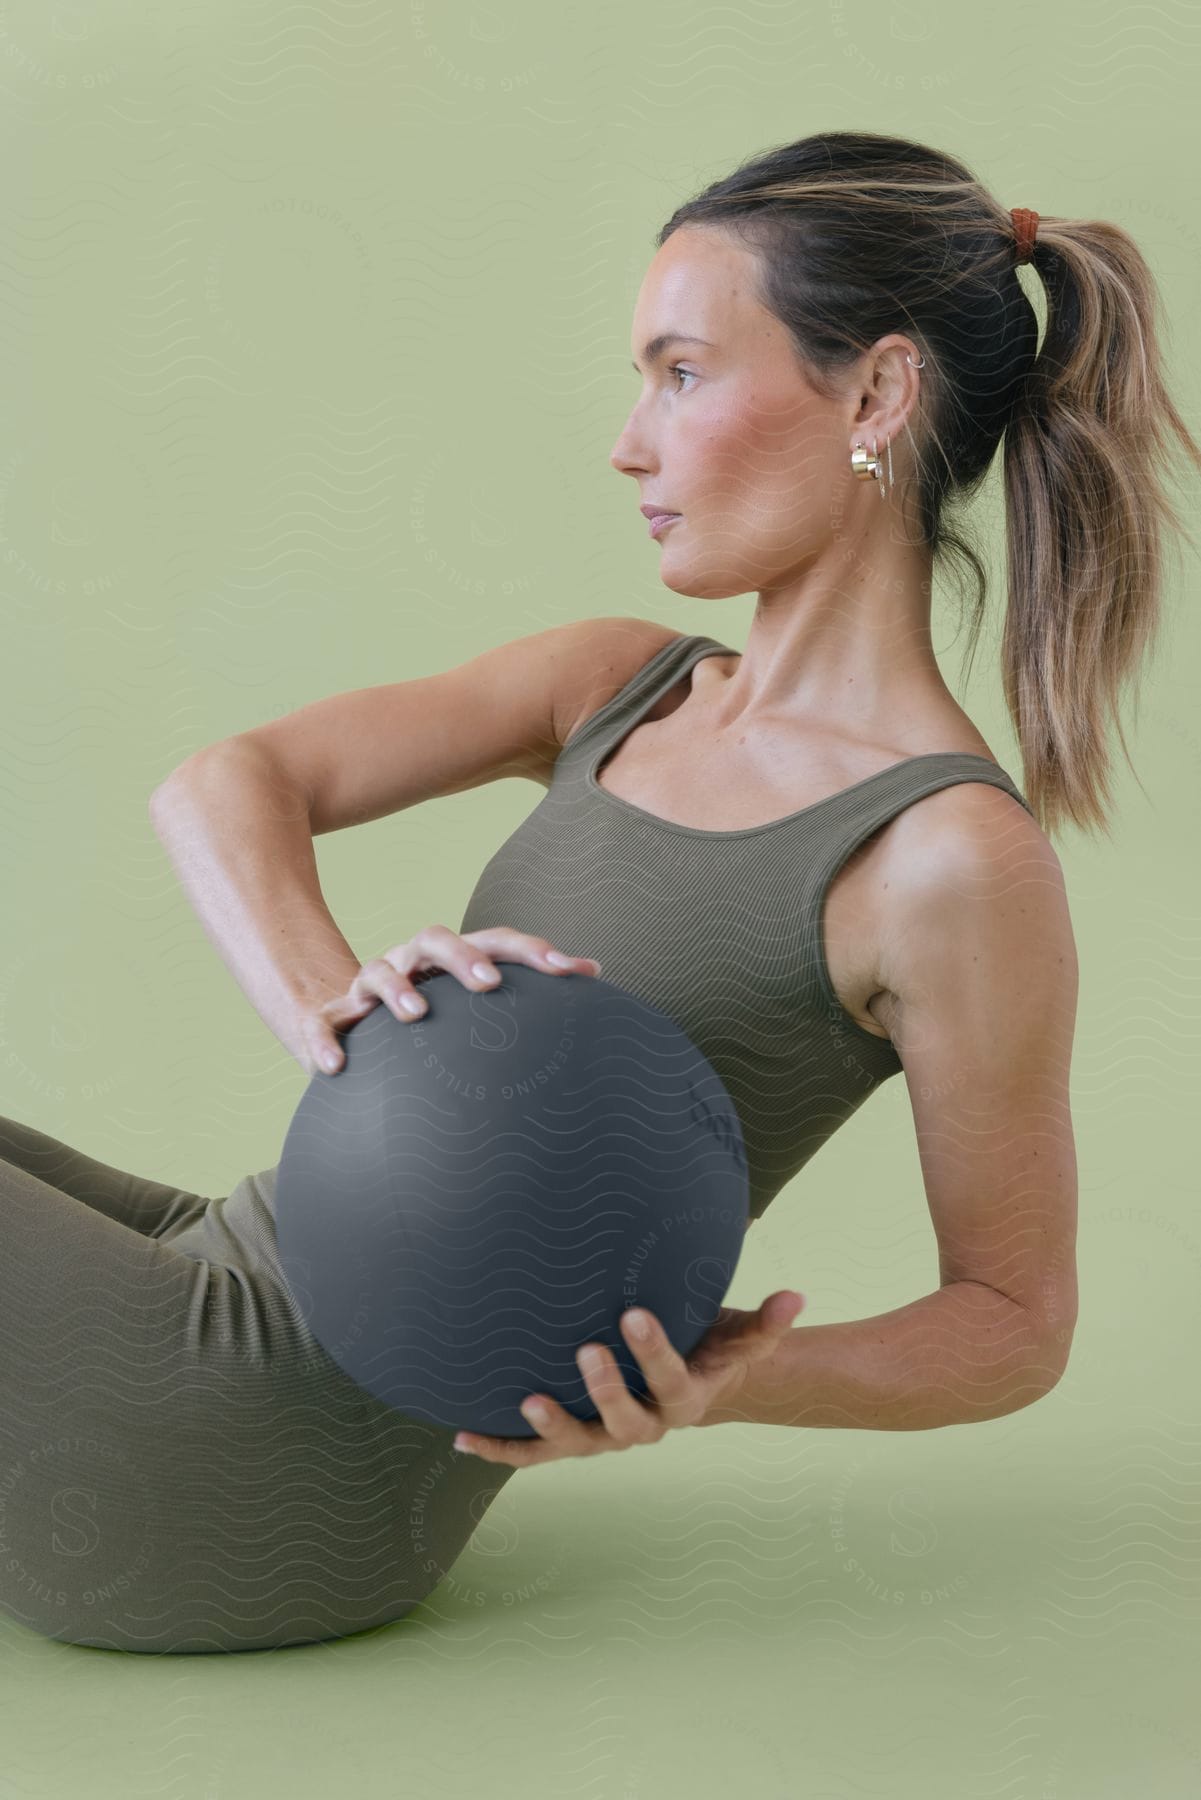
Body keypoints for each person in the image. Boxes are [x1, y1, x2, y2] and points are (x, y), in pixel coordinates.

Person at [3, 130, 1198, 1656]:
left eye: (681, 373)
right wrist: (339, 1008)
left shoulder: (944, 862)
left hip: (260, 1459)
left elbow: (1015, 1325)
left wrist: (737, 1378)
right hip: (225, 1283)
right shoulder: (613, 686)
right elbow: (221, 785)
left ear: (877, 395)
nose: (631, 443)